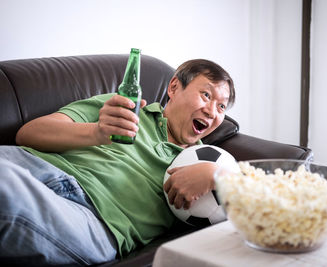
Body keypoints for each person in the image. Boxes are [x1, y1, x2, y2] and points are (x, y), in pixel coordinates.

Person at [0, 59, 235, 266]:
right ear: (174, 87)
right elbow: (28, 134)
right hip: (38, 165)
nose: (212, 112)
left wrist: (218, 174)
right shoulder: (121, 108)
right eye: (206, 95)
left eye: (222, 106)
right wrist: (97, 133)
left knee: (5, 185)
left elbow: (258, 200)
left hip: (94, 219)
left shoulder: (207, 161)